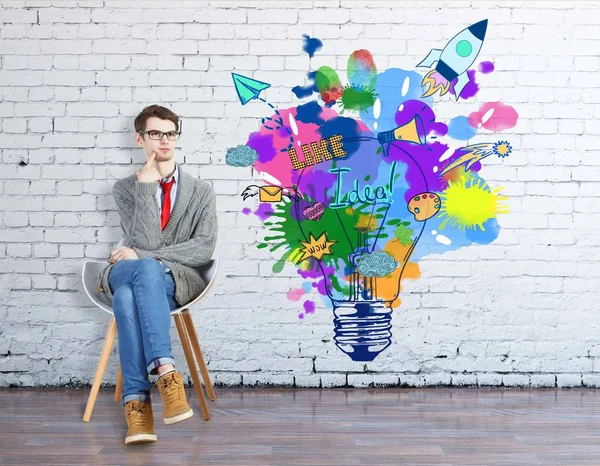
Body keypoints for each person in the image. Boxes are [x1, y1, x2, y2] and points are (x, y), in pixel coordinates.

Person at [94, 105, 218, 445]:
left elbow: (203, 248)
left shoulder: (201, 191)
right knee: (138, 274)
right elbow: (147, 238)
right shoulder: (125, 188)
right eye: (155, 133)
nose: (165, 140)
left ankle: (138, 406)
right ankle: (165, 370)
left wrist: (143, 256)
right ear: (139, 138)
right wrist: (146, 186)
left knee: (127, 295)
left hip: (173, 279)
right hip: (125, 271)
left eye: (170, 133)